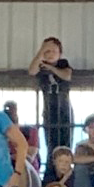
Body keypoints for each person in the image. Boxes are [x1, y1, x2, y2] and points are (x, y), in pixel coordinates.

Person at [28, 37, 73, 173]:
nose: (50, 54)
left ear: (60, 53)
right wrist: (41, 53)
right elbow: (31, 71)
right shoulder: (40, 66)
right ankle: (50, 173)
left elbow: (67, 75)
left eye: (54, 51)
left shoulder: (63, 64)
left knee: (65, 144)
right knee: (51, 143)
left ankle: (65, 174)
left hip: (64, 109)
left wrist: (51, 68)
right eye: (47, 51)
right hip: (49, 110)